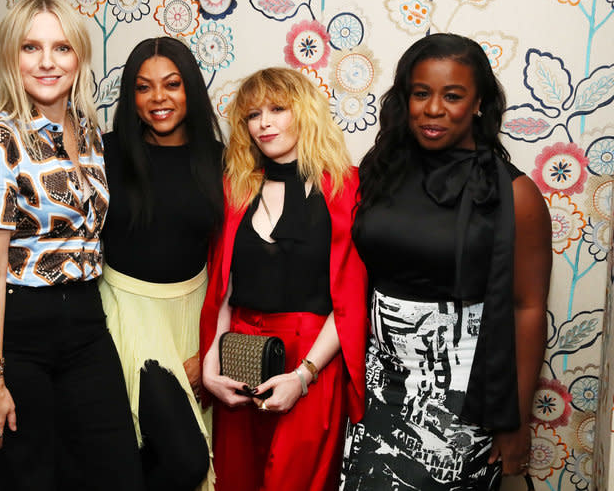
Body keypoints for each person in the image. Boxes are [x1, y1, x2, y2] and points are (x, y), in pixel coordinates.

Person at [0, 0, 143, 491]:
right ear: (11, 57)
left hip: (84, 323)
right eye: (31, 48)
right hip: (13, 331)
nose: (48, 62)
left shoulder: (93, 135)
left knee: (115, 470)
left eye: (61, 48)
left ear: (79, 56)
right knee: (23, 477)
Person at [340, 33, 551, 490]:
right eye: (421, 93)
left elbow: (528, 308)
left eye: (452, 96)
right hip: (373, 384)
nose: (433, 109)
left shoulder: (514, 196)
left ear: (478, 104)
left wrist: (514, 420)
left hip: (460, 399)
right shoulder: (381, 170)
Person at [200, 67, 368, 491]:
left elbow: (349, 300)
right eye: (253, 114)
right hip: (239, 353)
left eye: (277, 109)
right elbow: (223, 290)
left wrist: (304, 375)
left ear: (305, 112)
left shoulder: (346, 188)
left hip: (310, 357)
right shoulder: (234, 187)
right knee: (237, 480)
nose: (264, 123)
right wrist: (210, 365)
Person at [98, 36, 224, 491]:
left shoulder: (219, 160)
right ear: (130, 96)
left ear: (190, 88)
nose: (158, 99)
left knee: (165, 454)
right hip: (129, 313)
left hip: (194, 313)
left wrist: (212, 344)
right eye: (143, 87)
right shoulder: (105, 153)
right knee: (187, 460)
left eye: (171, 84)